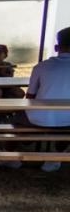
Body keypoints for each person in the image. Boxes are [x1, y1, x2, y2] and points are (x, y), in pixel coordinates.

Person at [25, 26, 70, 171]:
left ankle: (9, 154)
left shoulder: (41, 67)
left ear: (57, 47)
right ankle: (56, 155)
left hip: (39, 118)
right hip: (67, 119)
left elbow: (30, 96)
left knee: (17, 117)